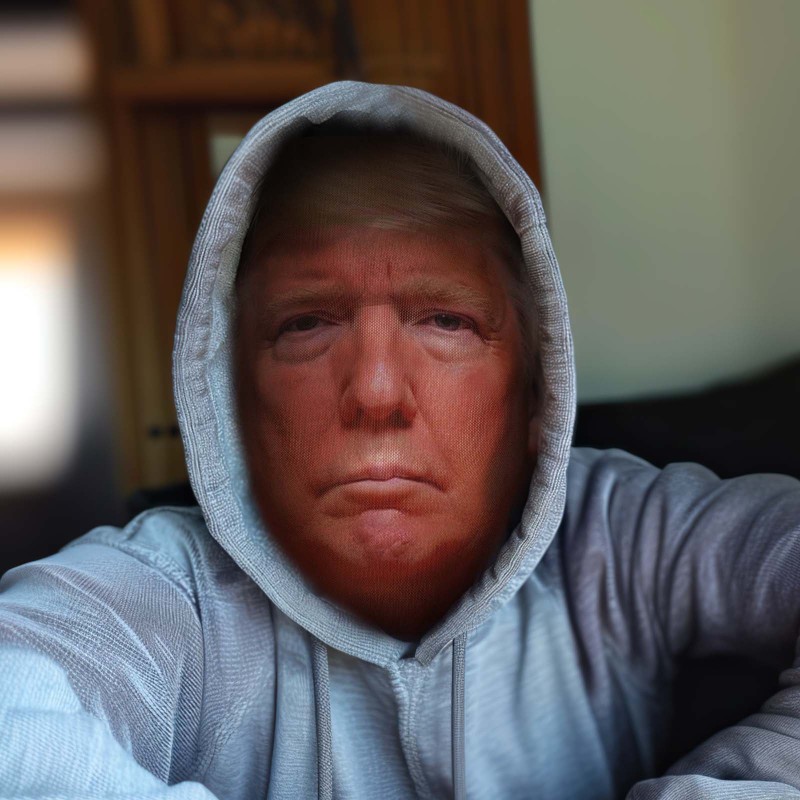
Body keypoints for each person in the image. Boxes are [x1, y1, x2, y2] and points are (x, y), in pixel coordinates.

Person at [1, 80, 799, 800]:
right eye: (306, 325)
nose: (377, 392)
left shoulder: (620, 536)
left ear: (535, 393)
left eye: (446, 321)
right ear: (231, 400)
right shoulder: (175, 595)